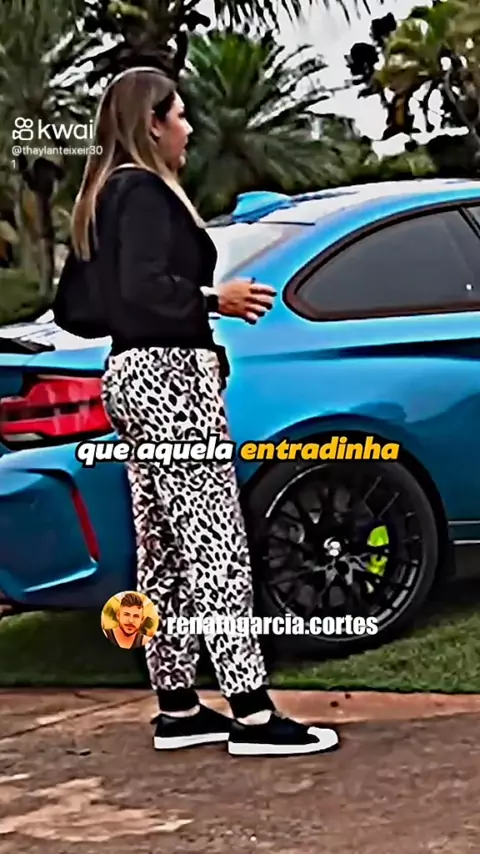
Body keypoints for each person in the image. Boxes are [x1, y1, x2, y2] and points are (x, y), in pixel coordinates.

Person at [68, 65, 340, 757]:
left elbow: (79, 308)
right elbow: (142, 288)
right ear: (152, 123)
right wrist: (214, 301)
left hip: (130, 376)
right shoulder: (143, 193)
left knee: (163, 549)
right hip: (168, 379)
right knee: (216, 542)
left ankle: (179, 706)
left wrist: (147, 315)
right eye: (180, 115)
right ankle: (252, 712)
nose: (189, 129)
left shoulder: (101, 196)